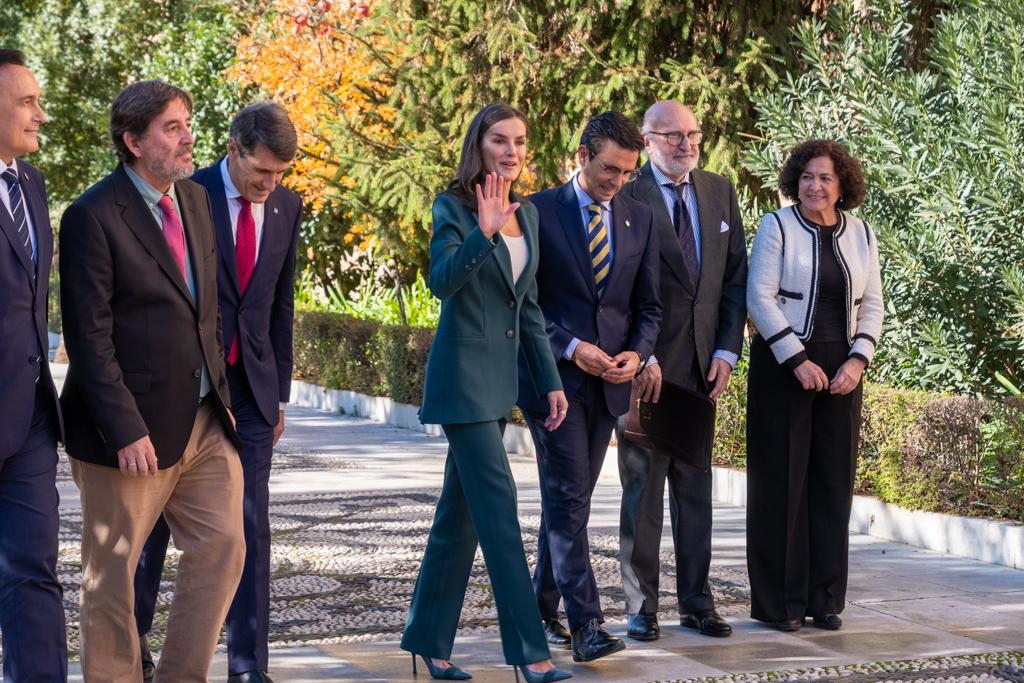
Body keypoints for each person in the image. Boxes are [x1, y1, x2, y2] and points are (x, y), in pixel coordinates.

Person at [59, 79, 245, 682]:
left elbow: (208, 308)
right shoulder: (92, 216)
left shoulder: (194, 200)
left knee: (222, 548)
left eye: (186, 122)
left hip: (204, 419)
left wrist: (221, 393)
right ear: (133, 141)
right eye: (172, 127)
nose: (188, 136)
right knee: (111, 579)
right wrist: (124, 429)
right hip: (128, 434)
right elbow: (89, 338)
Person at [400, 103, 572, 683]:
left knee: (461, 518)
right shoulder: (452, 206)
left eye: (520, 141)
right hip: (461, 385)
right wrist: (485, 229)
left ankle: (427, 640)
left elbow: (528, 309)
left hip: (499, 387)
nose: (512, 151)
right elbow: (442, 281)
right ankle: (530, 653)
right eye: (500, 140)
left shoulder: (532, 216)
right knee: (499, 512)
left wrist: (548, 380)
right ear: (479, 144)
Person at [133, 102, 301, 683]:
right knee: (152, 525)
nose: (270, 184)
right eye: (262, 172)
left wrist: (277, 392)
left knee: (249, 525)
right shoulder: (185, 192)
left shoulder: (285, 204)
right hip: (184, 391)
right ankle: (135, 647)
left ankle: (247, 667)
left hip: (251, 393)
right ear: (233, 149)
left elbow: (281, 302)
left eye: (280, 174)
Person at [518, 111, 661, 663]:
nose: (618, 181)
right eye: (609, 169)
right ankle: (587, 626)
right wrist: (573, 347)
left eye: (628, 171)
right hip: (552, 379)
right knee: (569, 495)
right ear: (582, 156)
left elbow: (648, 306)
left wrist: (638, 353)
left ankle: (536, 609)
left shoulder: (639, 216)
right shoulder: (537, 210)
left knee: (568, 500)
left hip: (611, 385)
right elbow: (524, 302)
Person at [616, 100, 748, 641]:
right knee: (642, 494)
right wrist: (636, 356)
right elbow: (616, 288)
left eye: (692, 134)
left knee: (695, 490)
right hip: (647, 371)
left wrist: (726, 352)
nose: (685, 144)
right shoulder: (627, 192)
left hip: (702, 370)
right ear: (647, 141)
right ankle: (641, 607)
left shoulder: (719, 190)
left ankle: (697, 601)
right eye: (672, 136)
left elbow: (734, 280)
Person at [745, 139, 883, 632]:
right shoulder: (776, 226)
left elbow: (873, 306)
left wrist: (858, 360)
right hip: (786, 365)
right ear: (794, 181)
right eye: (807, 176)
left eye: (825, 177)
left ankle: (824, 599)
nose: (815, 186)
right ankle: (780, 604)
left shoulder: (862, 233)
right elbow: (759, 298)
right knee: (781, 483)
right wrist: (796, 359)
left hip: (842, 369)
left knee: (832, 484)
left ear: (842, 184)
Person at [0, 47, 68, 683]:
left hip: (28, 423)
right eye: (26, 101)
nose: (40, 115)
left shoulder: (30, 183)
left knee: (34, 572)